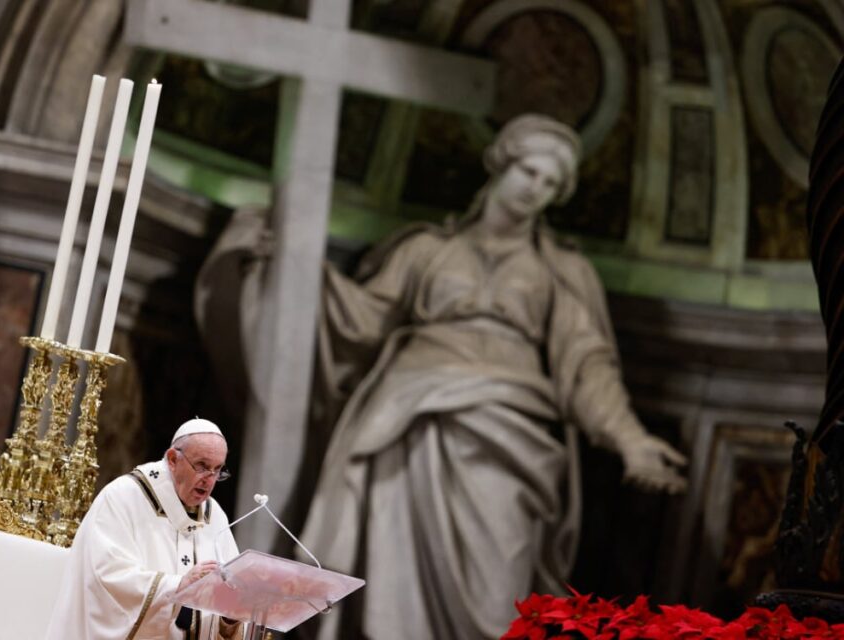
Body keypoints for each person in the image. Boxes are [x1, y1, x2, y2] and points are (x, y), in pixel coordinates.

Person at [290, 114, 688, 639]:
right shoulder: (425, 249)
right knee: (392, 577)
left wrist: (630, 439)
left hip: (508, 430)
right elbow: (360, 320)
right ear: (501, 165)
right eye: (529, 171)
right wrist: (296, 263)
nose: (535, 189)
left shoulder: (561, 270)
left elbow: (587, 365)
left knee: (499, 589)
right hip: (409, 414)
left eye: (550, 184)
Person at [46, 418, 242, 640]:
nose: (209, 480)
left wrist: (229, 617)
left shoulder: (215, 517)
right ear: (172, 459)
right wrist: (177, 586)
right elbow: (106, 579)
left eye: (217, 470)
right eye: (202, 466)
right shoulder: (123, 497)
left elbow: (227, 598)